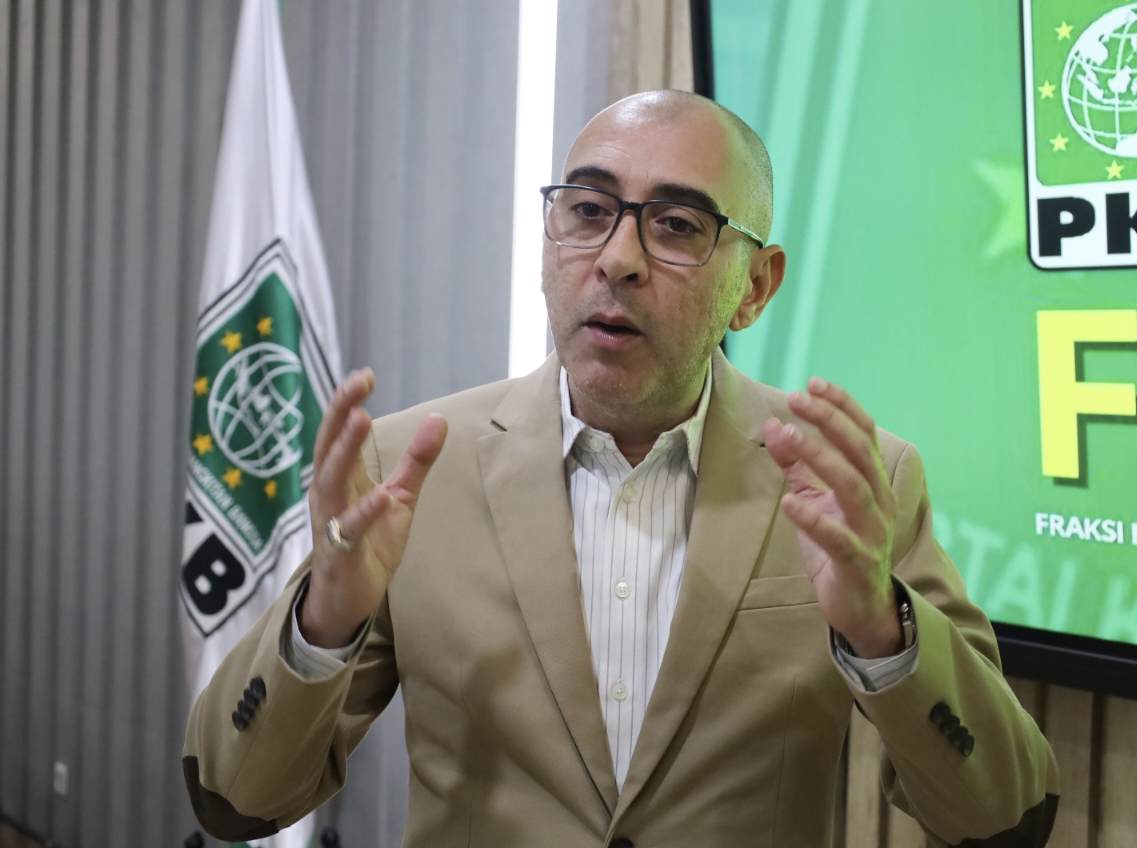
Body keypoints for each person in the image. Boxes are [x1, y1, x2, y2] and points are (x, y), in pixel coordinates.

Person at [183, 90, 1059, 846]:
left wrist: (884, 635)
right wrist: (324, 621)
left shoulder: (853, 485)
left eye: (677, 226)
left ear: (755, 288)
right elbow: (235, 798)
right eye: (587, 210)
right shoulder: (411, 472)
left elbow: (1003, 816)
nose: (617, 259)